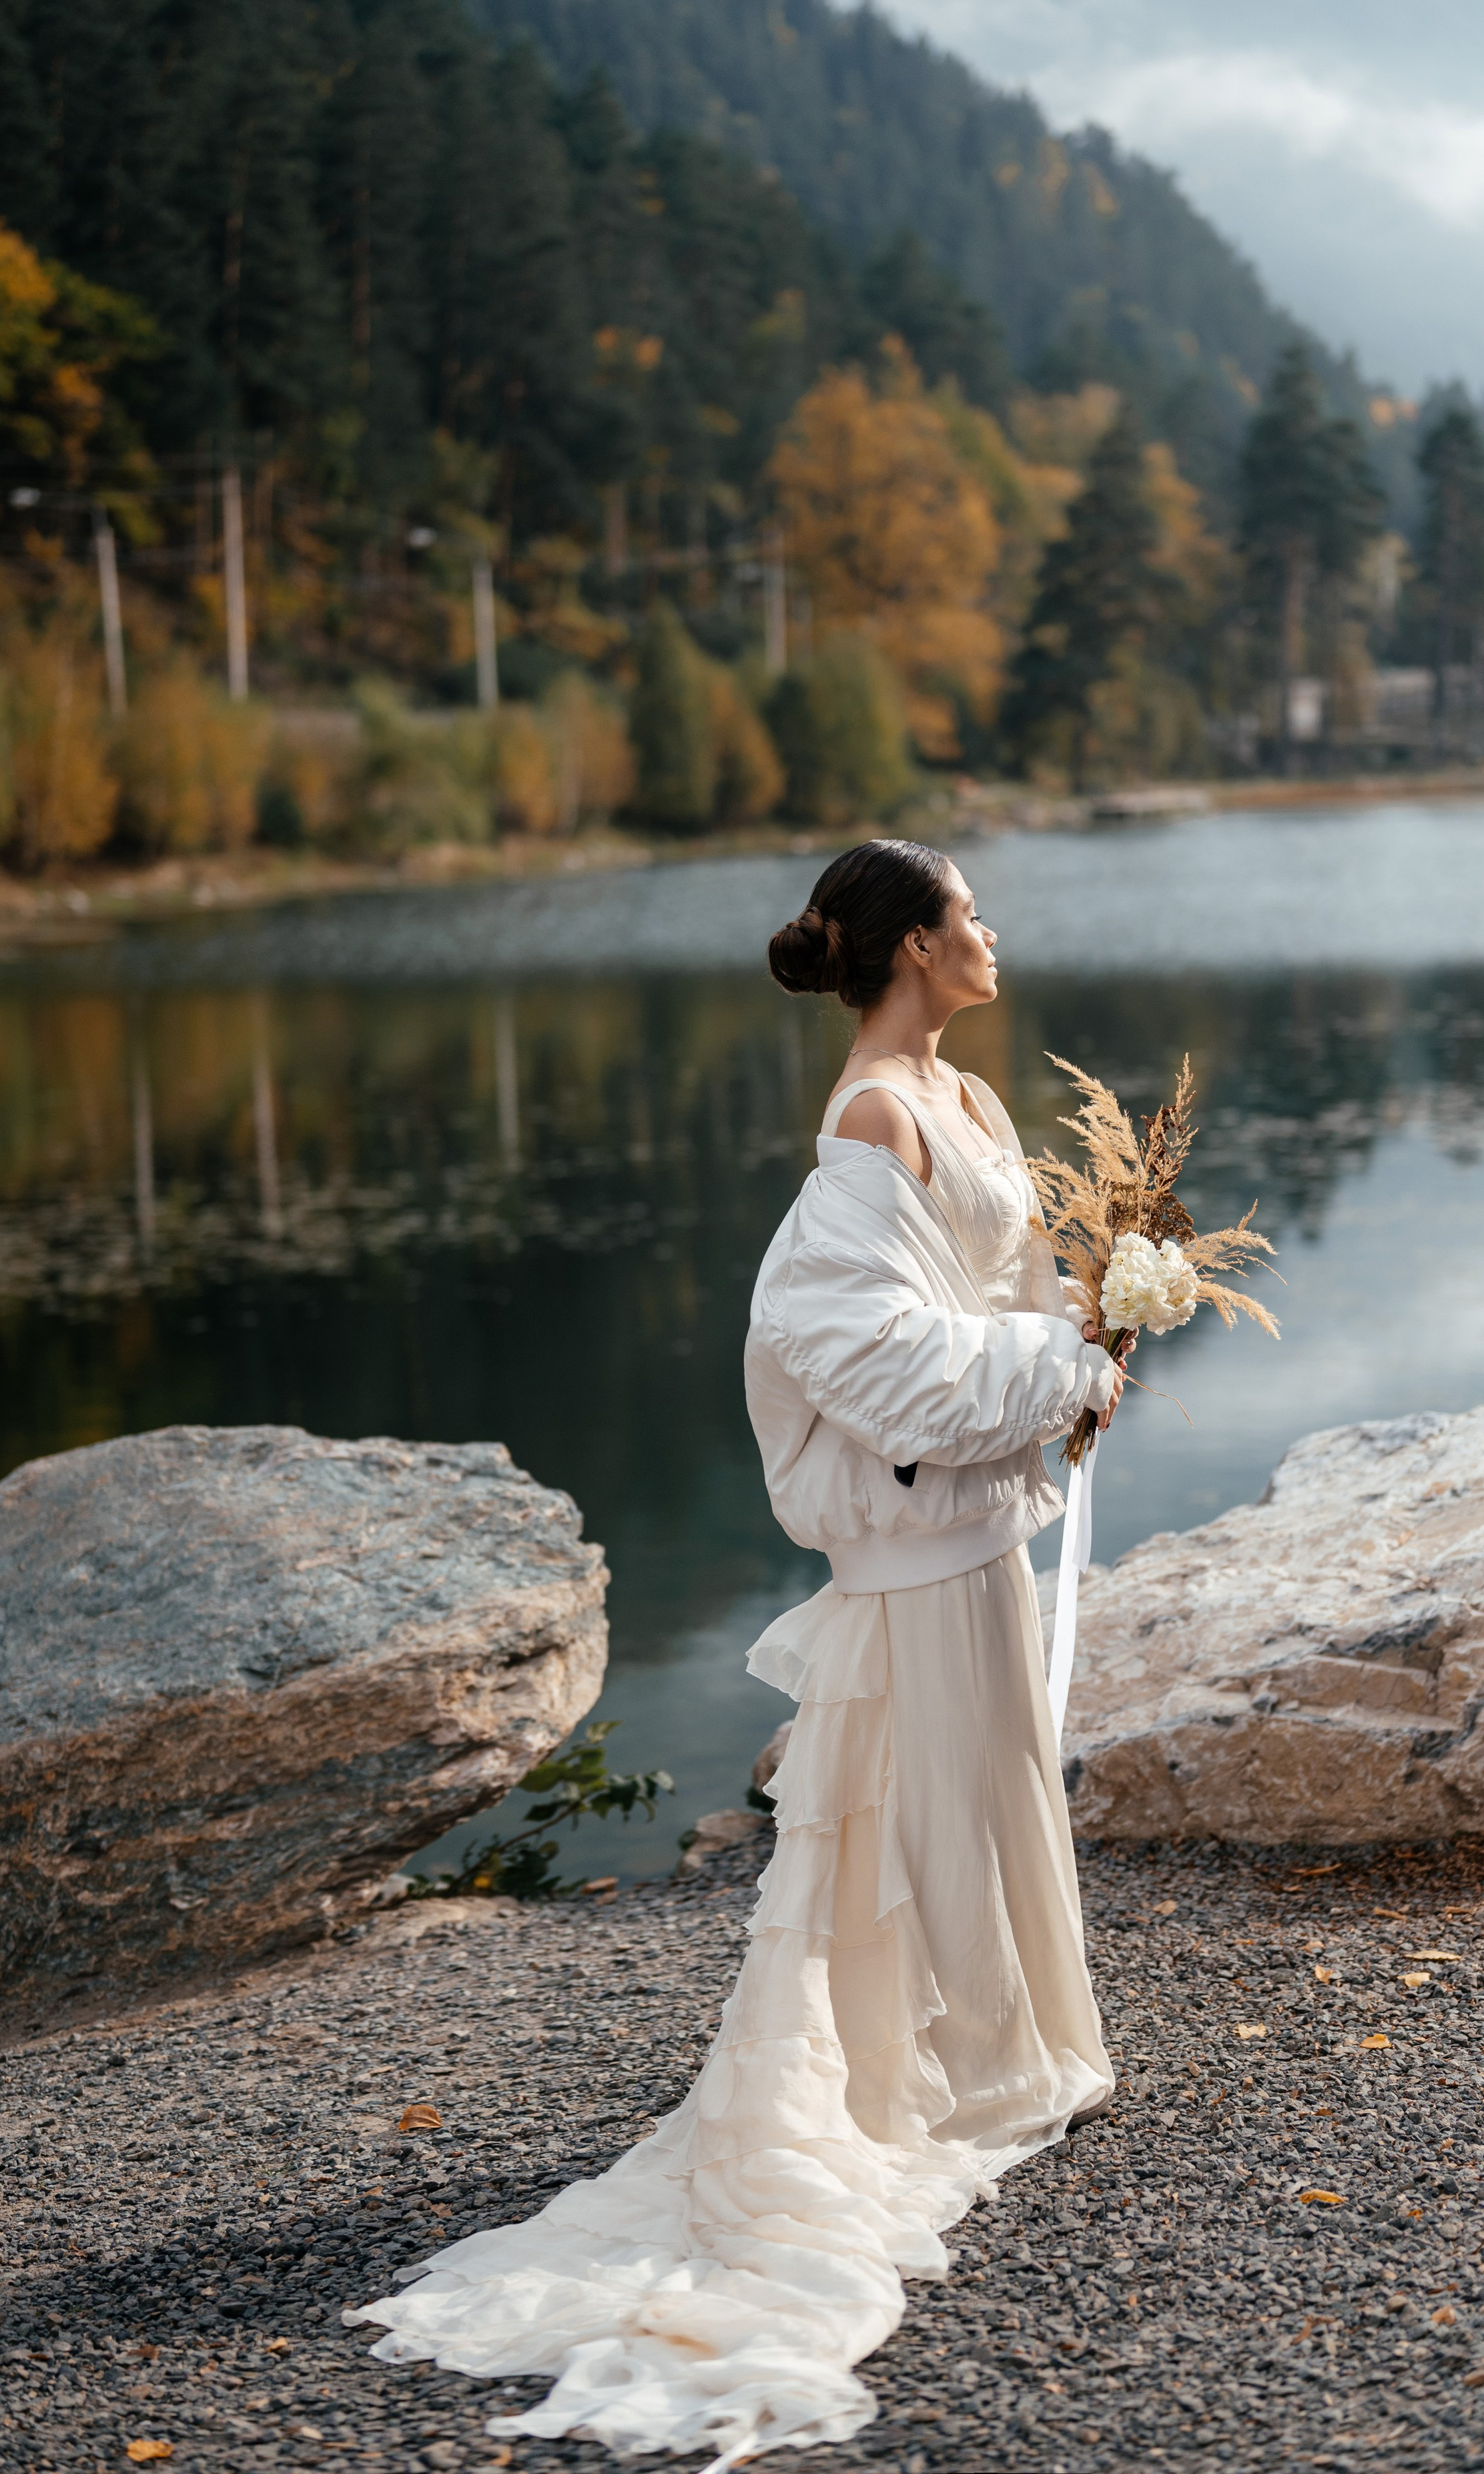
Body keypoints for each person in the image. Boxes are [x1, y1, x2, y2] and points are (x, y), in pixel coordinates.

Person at [346, 838, 1126, 2471]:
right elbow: (867, 1352)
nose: (990, 932)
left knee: (992, 1780)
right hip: (914, 1549)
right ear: (911, 949)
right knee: (915, 1798)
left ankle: (1006, 2043)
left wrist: (1093, 1326)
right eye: (967, 914)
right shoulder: (872, 1118)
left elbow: (1000, 1286)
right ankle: (920, 2072)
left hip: (979, 1529)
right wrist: (1055, 1363)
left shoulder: (969, 1099)